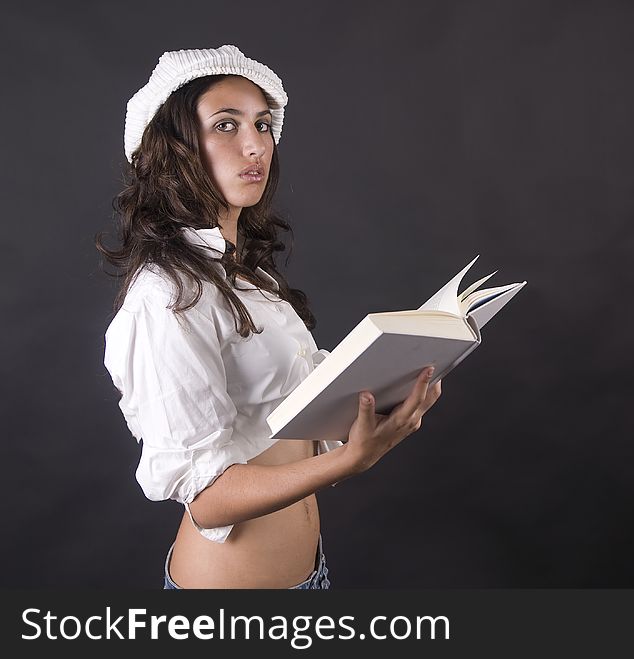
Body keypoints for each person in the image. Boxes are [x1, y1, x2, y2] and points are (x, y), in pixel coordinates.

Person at [97, 45, 442, 589]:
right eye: (226, 125)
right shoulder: (166, 297)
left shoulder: (247, 276)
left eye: (262, 124)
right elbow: (209, 502)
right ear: (171, 150)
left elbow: (289, 412)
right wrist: (350, 460)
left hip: (310, 575)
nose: (256, 144)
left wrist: (398, 374)